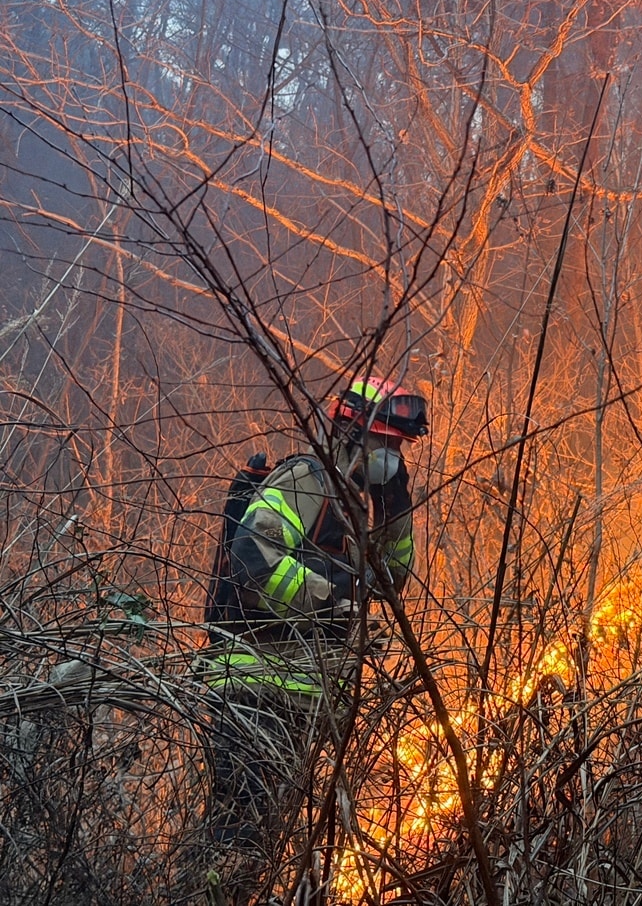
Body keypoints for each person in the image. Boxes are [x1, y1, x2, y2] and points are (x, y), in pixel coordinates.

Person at [202, 375, 429, 904]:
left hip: (301, 696)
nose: (391, 455)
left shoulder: (352, 502)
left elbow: (390, 581)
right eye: (386, 444)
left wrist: (395, 505)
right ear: (352, 433)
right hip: (254, 688)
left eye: (398, 447)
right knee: (235, 848)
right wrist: (331, 598)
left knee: (263, 855)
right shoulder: (308, 479)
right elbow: (252, 561)